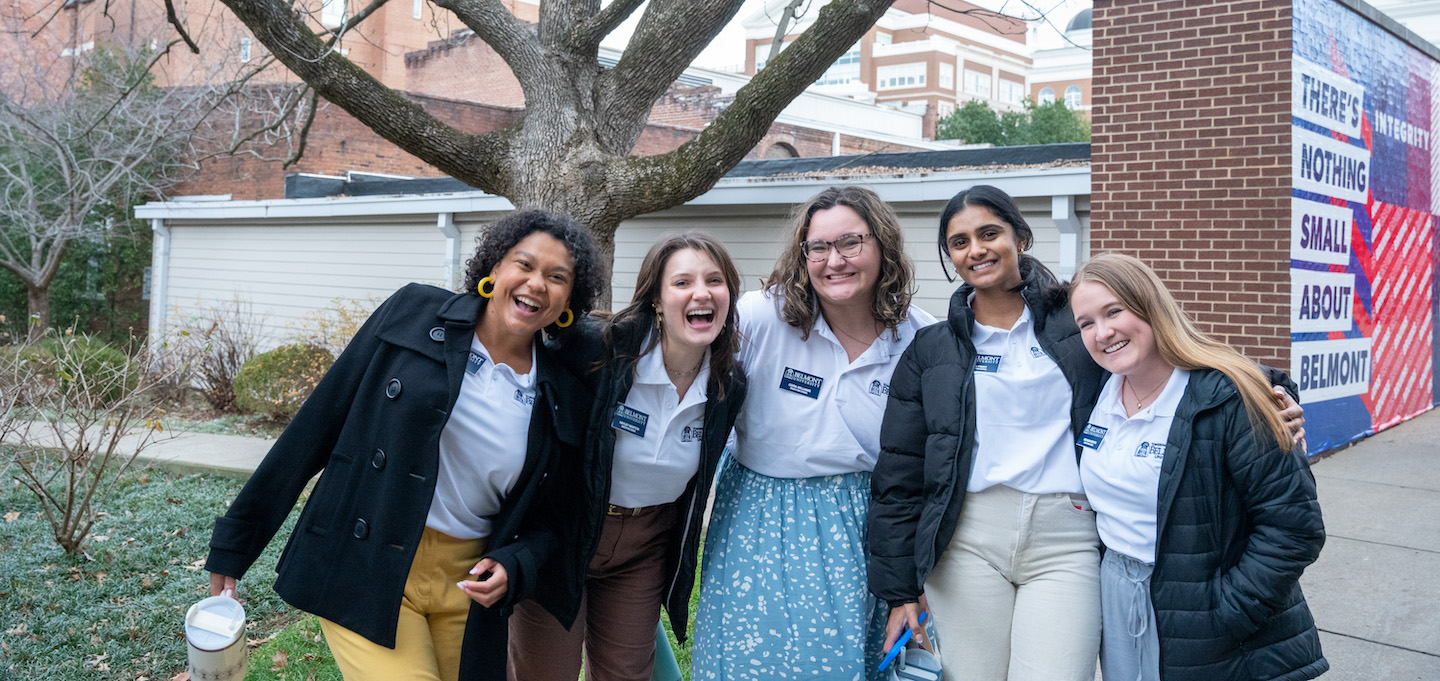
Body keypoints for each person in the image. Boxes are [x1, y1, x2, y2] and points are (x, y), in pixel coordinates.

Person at [868, 185, 1306, 681]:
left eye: (990, 233)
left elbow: (1173, 353)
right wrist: (899, 590)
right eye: (960, 241)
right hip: (967, 537)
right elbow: (898, 474)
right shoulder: (931, 350)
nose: (977, 249)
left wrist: (1272, 388)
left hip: (1067, 534)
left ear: (1020, 236)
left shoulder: (1076, 323)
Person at [203, 210, 606, 681]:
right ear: (495, 268)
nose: (537, 283)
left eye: (557, 278)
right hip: (368, 558)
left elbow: (558, 516)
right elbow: (317, 424)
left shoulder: (563, 391)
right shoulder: (415, 313)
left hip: (468, 583)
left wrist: (516, 564)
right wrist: (236, 541)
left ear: (568, 301)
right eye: (525, 264)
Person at [691, 186, 937, 681]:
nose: (834, 260)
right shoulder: (760, 317)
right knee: (755, 662)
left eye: (850, 243)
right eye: (818, 247)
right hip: (762, 522)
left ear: (882, 245)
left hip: (872, 527)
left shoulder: (919, 337)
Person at [1068, 253, 1326, 681]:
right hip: (1116, 591)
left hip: (1205, 604)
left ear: (1151, 306)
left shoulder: (1229, 398)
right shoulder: (1097, 393)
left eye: (1114, 311)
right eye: (1086, 323)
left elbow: (1294, 527)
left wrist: (1228, 613)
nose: (1103, 332)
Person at [507, 233, 747, 681]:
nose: (702, 293)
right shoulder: (598, 348)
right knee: (545, 672)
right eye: (682, 282)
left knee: (627, 673)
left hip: (644, 545)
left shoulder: (727, 385)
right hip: (565, 534)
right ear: (656, 299)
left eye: (715, 280)